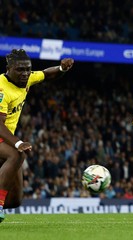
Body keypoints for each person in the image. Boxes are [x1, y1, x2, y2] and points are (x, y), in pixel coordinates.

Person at [0, 49, 74, 222]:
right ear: (8, 68)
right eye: (20, 69)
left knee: (14, 200)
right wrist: (18, 143)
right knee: (17, 154)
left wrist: (62, 69)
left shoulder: (26, 78)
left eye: (28, 69)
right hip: (3, 134)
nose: (25, 73)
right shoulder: (2, 89)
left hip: (6, 137)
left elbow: (46, 74)